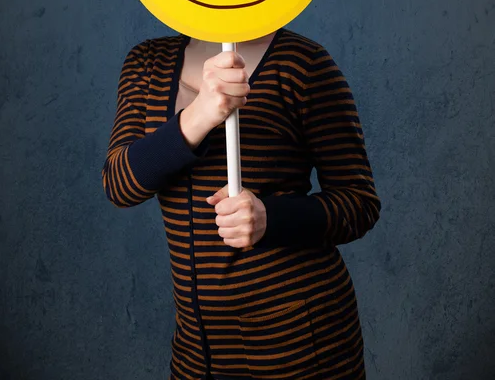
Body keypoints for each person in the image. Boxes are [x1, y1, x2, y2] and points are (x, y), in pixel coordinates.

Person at [101, 26, 381, 380]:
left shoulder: (303, 63)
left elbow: (360, 202)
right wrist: (200, 114)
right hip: (197, 345)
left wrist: (271, 218)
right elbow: (119, 185)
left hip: (297, 339)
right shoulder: (148, 64)